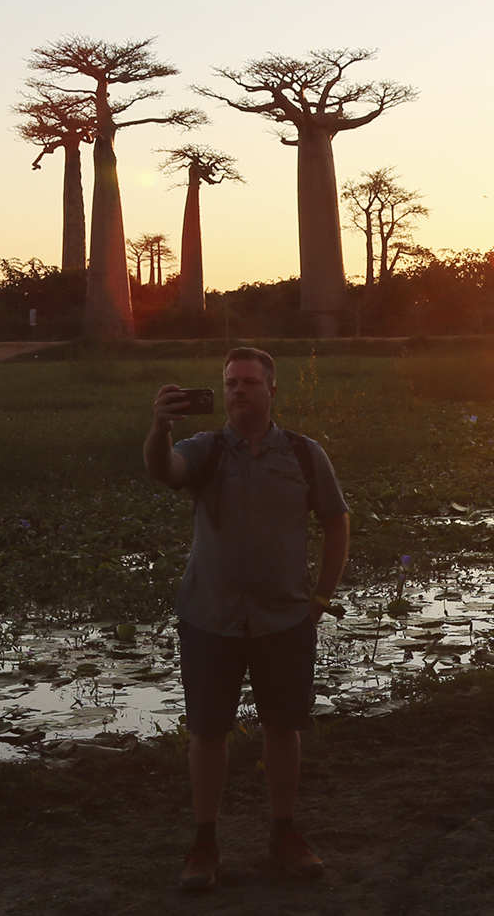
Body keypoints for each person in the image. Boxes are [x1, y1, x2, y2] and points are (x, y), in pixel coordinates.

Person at [147, 347, 351, 891]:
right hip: (209, 618)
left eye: (249, 383)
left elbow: (336, 523)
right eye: (230, 383)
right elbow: (163, 470)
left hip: (284, 619)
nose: (238, 391)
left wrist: (321, 599)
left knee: (284, 728)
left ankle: (284, 833)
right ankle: (204, 843)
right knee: (208, 733)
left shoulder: (306, 456)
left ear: (272, 391)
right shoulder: (203, 449)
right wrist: (160, 428)